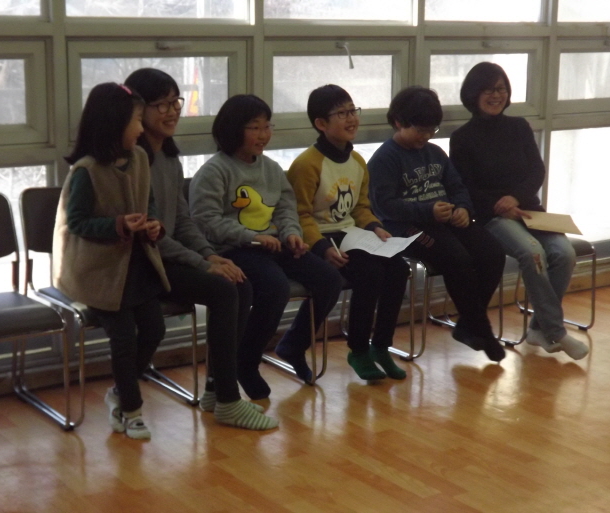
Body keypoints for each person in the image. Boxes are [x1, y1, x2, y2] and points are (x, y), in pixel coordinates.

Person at [124, 68, 278, 430]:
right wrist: (202, 263)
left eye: (175, 102)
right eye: (162, 105)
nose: (172, 111)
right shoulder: (133, 162)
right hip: (142, 264)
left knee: (240, 283)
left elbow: (182, 220)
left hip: (168, 257)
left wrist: (209, 254)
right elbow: (151, 234)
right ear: (138, 110)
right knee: (224, 289)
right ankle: (228, 401)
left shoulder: (169, 159)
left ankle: (215, 389)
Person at [189, 94, 343, 399]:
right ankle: (246, 362)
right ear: (234, 130)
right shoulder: (214, 171)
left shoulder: (271, 168)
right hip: (233, 249)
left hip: (272, 243)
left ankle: (294, 345)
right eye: (255, 127)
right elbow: (206, 222)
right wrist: (253, 237)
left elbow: (286, 209)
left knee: (329, 279)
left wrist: (292, 234)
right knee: (274, 288)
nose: (263, 134)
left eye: (267, 126)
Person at [450, 62, 588, 360]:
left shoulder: (519, 127)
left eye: (501, 89)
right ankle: (557, 332)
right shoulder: (462, 137)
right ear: (473, 94)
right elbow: (465, 187)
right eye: (488, 90)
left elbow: (537, 171)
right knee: (532, 252)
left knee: (564, 254)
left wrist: (515, 198)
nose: (496, 95)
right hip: (492, 216)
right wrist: (500, 205)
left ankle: (538, 328)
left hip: (528, 209)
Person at [53, 82, 169, 439]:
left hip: (135, 267)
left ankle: (119, 392)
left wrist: (152, 225)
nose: (141, 128)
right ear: (113, 124)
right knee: (123, 337)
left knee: (155, 329)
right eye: (136, 120)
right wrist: (117, 225)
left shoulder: (140, 159)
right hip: (98, 273)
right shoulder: (86, 171)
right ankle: (132, 410)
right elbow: (77, 223)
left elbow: (149, 205)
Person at [367, 86, 507, 362]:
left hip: (443, 219)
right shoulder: (385, 158)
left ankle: (468, 325)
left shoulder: (435, 153)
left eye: (432, 130)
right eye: (420, 130)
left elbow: (457, 186)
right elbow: (385, 206)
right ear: (398, 122)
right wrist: (427, 211)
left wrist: (463, 209)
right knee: (457, 258)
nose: (426, 136)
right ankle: (483, 330)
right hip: (406, 228)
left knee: (492, 252)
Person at [287, 84, 410, 380]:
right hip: (321, 237)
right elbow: (299, 214)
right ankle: (358, 350)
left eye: (352, 110)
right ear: (321, 123)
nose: (351, 118)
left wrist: (376, 228)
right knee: (370, 273)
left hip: (351, 234)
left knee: (398, 269)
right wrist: (321, 248)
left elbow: (361, 208)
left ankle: (381, 346)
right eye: (342, 113)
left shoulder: (357, 162)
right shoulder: (307, 164)